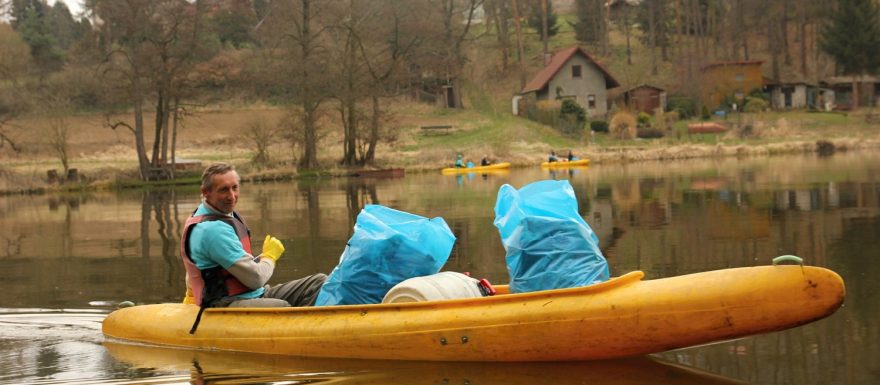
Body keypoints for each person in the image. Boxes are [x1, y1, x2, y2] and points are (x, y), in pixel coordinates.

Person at [181, 163, 326, 331]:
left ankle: (318, 328)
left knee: (319, 282)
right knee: (282, 307)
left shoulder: (220, 214)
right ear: (206, 192)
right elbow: (257, 279)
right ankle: (311, 335)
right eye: (223, 190)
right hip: (223, 303)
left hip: (250, 294)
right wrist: (269, 257)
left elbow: (209, 265)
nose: (232, 196)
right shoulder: (212, 230)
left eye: (235, 188)